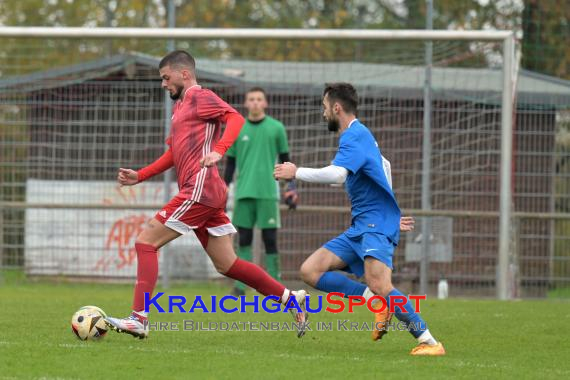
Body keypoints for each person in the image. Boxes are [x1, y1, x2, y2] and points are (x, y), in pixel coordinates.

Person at [105, 50, 308, 339]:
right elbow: (174, 153)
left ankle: (139, 318)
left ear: (184, 74)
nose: (163, 84)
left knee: (145, 242)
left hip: (200, 189)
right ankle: (290, 298)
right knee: (227, 264)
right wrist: (141, 175)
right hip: (207, 191)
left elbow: (235, 118)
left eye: (166, 78)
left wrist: (219, 150)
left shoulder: (200, 96)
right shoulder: (180, 108)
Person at [274, 82, 445, 355]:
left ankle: (429, 342)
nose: (323, 113)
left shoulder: (354, 136)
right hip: (364, 225)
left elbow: (338, 175)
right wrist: (392, 212)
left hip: (374, 225)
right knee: (310, 271)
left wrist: (297, 172)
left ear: (337, 107)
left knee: (379, 283)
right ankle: (377, 305)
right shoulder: (359, 136)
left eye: (324, 107)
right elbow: (383, 165)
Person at [224, 87, 297, 296]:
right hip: (244, 193)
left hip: (268, 193)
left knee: (270, 240)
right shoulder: (237, 128)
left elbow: (286, 161)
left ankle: (277, 287)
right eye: (251, 99)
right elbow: (230, 163)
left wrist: (291, 189)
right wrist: (224, 188)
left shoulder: (276, 128)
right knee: (243, 240)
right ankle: (240, 287)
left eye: (259, 99)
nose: (255, 103)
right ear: (246, 103)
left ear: (265, 103)